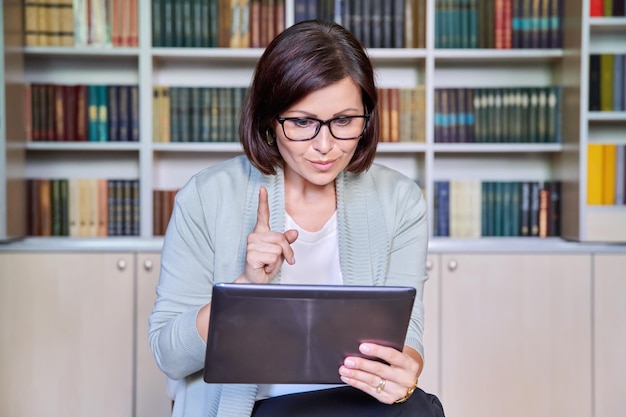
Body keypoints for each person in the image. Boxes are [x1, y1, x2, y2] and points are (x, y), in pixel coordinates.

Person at [149, 20, 444, 417]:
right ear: (270, 119)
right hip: (256, 408)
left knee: (419, 409)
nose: (325, 146)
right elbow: (169, 355)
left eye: (343, 121)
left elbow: (406, 340)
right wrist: (245, 288)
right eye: (302, 122)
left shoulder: (400, 200)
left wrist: (404, 372)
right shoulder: (207, 196)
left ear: (367, 118)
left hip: (358, 405)